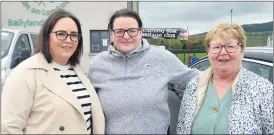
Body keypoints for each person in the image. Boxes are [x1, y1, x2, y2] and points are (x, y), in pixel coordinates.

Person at [87, 8, 198, 134]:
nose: (126, 36)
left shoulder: (161, 57)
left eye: (132, 31)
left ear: (140, 32)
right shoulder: (98, 64)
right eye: (119, 31)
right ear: (111, 33)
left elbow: (196, 79)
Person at [1, 9, 105, 134]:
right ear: (46, 37)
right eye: (61, 34)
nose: (68, 40)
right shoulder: (24, 74)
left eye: (74, 35)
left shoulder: (78, 71)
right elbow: (9, 128)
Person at [176, 23, 273, 134]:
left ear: (241, 50)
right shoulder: (193, 86)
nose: (223, 52)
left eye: (230, 46)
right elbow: (182, 129)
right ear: (208, 51)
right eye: (216, 47)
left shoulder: (264, 90)